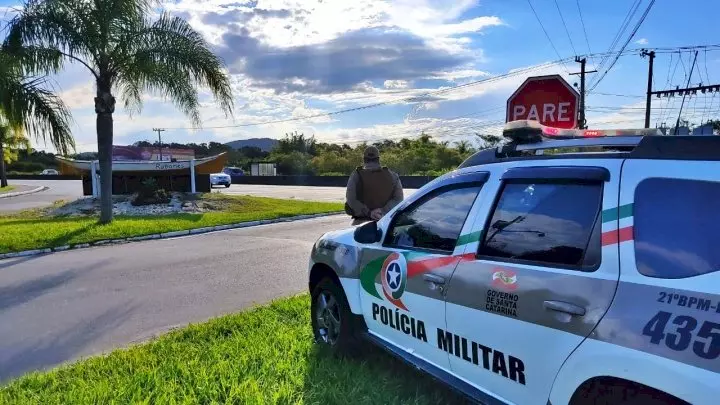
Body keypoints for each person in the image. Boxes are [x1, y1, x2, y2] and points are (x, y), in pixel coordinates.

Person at [345, 146, 404, 225]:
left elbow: (351, 199)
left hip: (361, 222)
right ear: (378, 159)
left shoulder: (356, 175)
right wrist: (382, 211)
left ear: (364, 159)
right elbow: (398, 198)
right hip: (385, 222)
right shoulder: (392, 175)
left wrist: (369, 213)